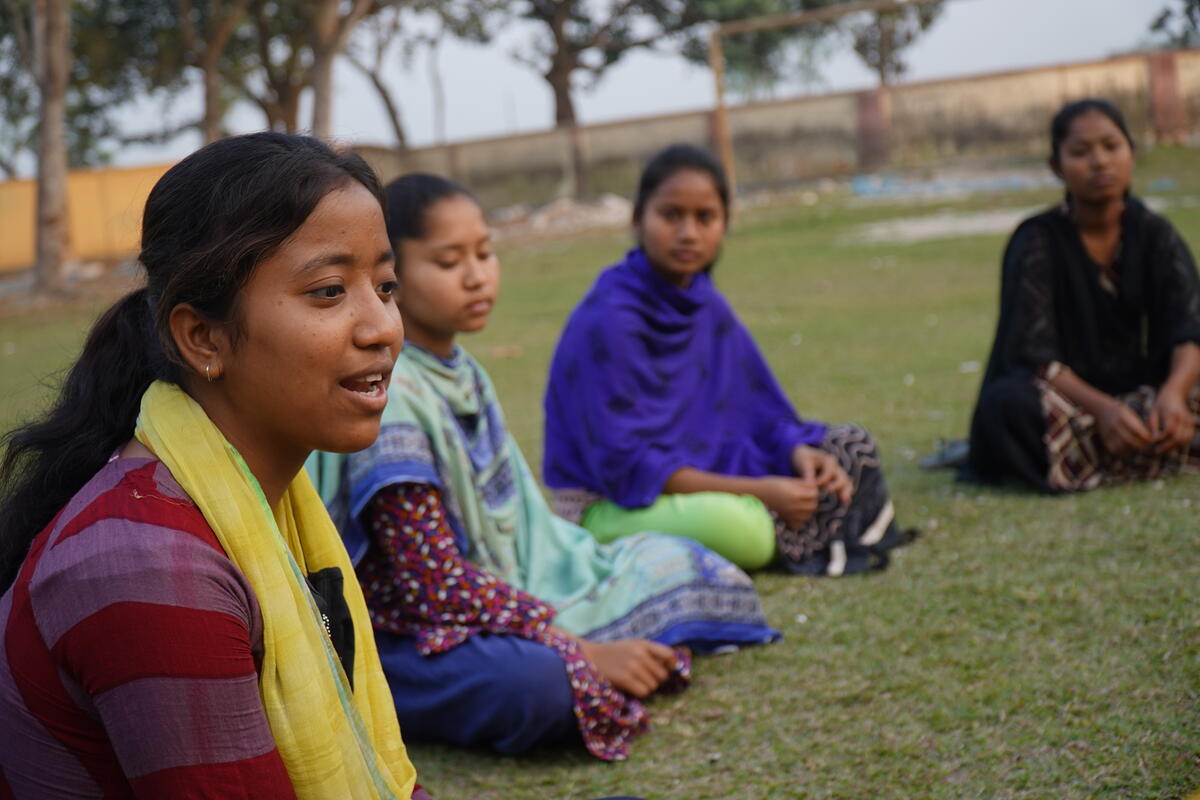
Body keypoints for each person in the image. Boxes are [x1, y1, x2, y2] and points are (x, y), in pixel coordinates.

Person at [0, 133, 426, 799]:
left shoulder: (259, 501)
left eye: (386, 285)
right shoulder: (147, 564)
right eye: (328, 290)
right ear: (201, 338)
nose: (383, 327)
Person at [308, 173, 779, 762]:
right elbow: (429, 585)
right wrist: (570, 644)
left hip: (506, 589)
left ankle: (569, 642)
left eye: (485, 253)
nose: (478, 275)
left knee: (689, 565)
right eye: (450, 261)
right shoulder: (396, 396)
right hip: (416, 630)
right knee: (538, 686)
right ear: (392, 277)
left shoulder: (463, 371)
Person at [542, 143, 911, 577]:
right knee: (742, 530)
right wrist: (763, 491)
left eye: (705, 218)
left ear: (724, 224)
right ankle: (778, 523)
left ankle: (785, 518)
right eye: (671, 215)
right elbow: (630, 468)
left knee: (849, 447)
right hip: (609, 505)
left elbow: (756, 413)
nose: (688, 233)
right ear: (638, 219)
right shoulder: (608, 319)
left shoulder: (704, 306)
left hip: (709, 479)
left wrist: (797, 453)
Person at [964, 98, 1200, 492]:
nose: (1099, 162)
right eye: (1080, 152)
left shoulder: (1156, 234)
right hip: (1070, 401)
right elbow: (1032, 355)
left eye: (1111, 146)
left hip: (1147, 397)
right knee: (1007, 408)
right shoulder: (1037, 239)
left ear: (1132, 154)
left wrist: (1173, 396)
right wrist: (1105, 410)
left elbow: (1188, 330)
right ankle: (1147, 451)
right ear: (1056, 166)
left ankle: (1128, 447)